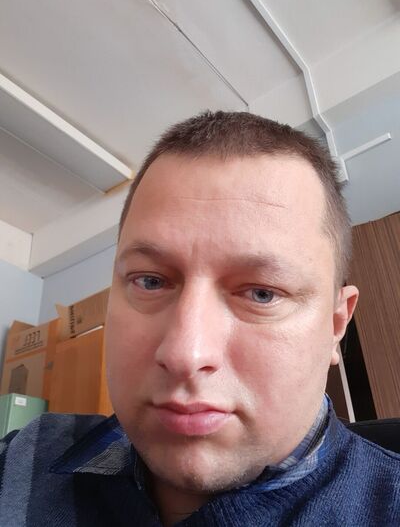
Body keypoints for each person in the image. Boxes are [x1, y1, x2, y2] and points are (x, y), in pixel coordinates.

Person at [0, 111, 399, 526]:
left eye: (262, 294)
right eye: (151, 281)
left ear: (336, 325)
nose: (185, 354)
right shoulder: (21, 460)